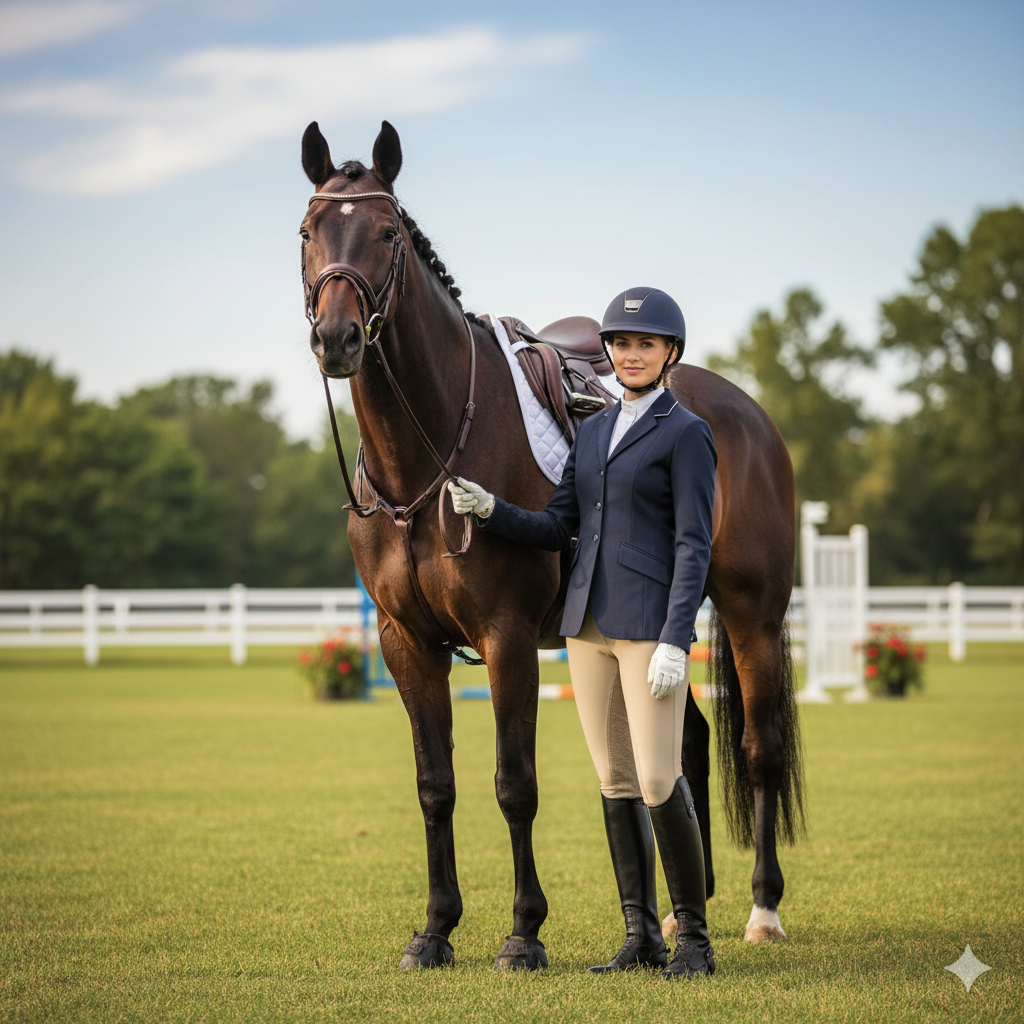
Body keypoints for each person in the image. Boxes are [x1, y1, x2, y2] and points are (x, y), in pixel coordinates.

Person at [448, 287, 717, 979]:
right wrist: (493, 508)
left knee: (659, 777)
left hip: (647, 625)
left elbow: (694, 544)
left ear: (670, 354)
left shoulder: (686, 432)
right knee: (615, 778)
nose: (630, 355)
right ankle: (640, 936)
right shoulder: (594, 429)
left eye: (645, 345)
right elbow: (557, 523)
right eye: (622, 345)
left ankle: (692, 939)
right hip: (586, 625)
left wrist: (675, 638)